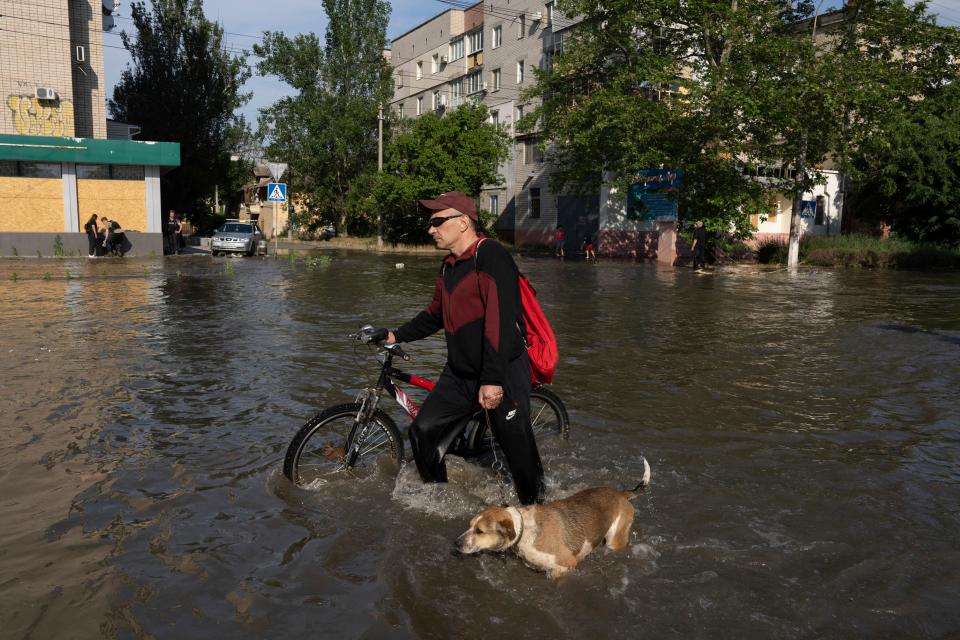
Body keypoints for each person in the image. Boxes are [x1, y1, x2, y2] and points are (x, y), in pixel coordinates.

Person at [385, 191, 546, 505]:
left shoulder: (490, 256)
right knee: (423, 431)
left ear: (462, 222)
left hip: (502, 370)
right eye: (430, 223)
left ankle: (539, 511)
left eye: (437, 221)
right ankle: (440, 502)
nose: (430, 229)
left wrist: (493, 379)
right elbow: (435, 315)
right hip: (460, 372)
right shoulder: (448, 266)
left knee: (516, 448)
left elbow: (499, 321)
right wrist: (395, 335)